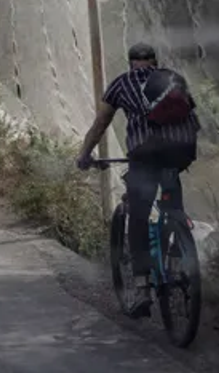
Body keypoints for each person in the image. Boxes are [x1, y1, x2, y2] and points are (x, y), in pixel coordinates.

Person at [75, 43, 199, 316]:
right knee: (173, 207)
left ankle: (142, 288)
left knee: (139, 216)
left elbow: (101, 123)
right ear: (155, 61)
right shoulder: (173, 79)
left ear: (131, 62)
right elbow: (191, 114)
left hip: (146, 154)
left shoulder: (122, 83)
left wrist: (85, 154)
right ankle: (177, 258)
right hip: (182, 150)